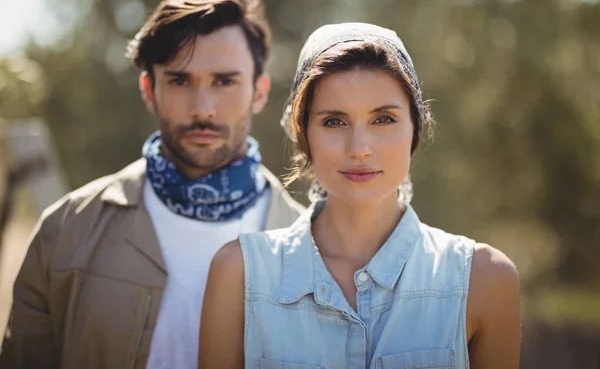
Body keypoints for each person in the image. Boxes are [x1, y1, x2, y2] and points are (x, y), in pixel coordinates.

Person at [0, 0, 304, 369]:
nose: (203, 108)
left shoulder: (310, 246)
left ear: (259, 92)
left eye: (224, 81)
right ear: (149, 89)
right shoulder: (67, 231)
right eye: (180, 80)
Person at [199, 22, 521, 368]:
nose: (360, 148)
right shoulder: (239, 273)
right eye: (334, 122)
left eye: (383, 119)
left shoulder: (484, 278)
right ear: (303, 134)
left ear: (416, 127)